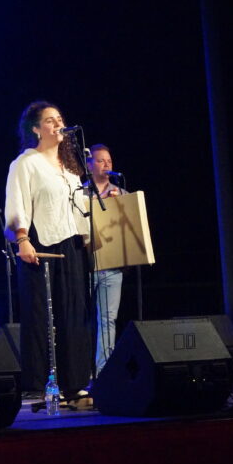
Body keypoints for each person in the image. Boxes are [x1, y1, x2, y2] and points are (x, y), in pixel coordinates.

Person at [5, 100, 94, 399]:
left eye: (60, 119)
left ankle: (74, 380)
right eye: (50, 120)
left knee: (73, 312)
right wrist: (22, 238)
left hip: (71, 243)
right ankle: (38, 382)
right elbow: (17, 202)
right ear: (36, 129)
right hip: (40, 243)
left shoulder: (70, 167)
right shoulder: (26, 162)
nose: (58, 124)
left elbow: (80, 207)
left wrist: (87, 238)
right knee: (41, 314)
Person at [84, 143, 125, 376]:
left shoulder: (120, 192)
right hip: (85, 266)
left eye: (109, 161)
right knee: (82, 319)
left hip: (112, 266)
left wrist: (118, 205)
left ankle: (104, 371)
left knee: (108, 319)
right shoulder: (79, 192)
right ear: (89, 165)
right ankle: (81, 371)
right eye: (101, 161)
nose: (107, 164)